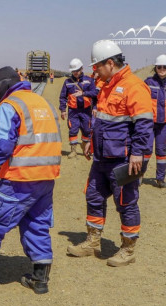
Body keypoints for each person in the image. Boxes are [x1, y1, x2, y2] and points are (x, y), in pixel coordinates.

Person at [0, 66, 62, 294]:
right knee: (36, 224)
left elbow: (3, 145)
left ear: (1, 88)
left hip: (20, 179)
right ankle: (40, 279)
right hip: (46, 178)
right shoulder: (43, 104)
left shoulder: (10, 105)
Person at [67, 40, 153, 267]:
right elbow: (103, 121)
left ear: (110, 63)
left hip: (124, 159)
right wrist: (91, 143)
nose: (94, 70)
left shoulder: (134, 86)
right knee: (93, 197)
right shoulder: (106, 85)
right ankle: (93, 241)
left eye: (97, 66)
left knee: (126, 202)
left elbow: (144, 125)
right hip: (102, 157)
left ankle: (128, 249)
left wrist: (138, 154)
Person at [59, 58, 98, 159]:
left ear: (82, 68)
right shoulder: (67, 82)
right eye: (73, 71)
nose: (75, 73)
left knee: (86, 130)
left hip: (86, 110)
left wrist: (84, 94)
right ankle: (73, 151)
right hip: (73, 111)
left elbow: (95, 94)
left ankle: (85, 148)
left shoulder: (89, 80)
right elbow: (63, 97)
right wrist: (63, 110)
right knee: (73, 129)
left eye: (77, 70)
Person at [144, 54, 166, 188]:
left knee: (162, 151)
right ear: (155, 68)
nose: (162, 69)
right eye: (159, 67)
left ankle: (160, 178)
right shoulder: (148, 83)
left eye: (165, 67)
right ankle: (139, 175)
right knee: (145, 150)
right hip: (149, 123)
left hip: (164, 125)